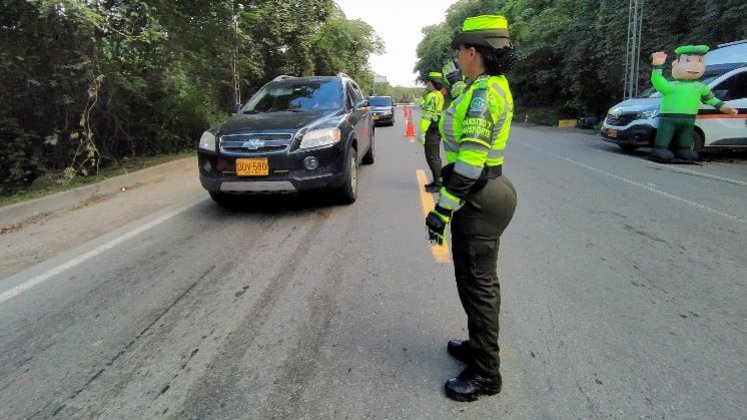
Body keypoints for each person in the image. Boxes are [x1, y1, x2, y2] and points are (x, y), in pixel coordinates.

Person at [424, 14, 518, 402]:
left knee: (478, 286)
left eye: (460, 49)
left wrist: (441, 210)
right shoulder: (484, 86)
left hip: (478, 196)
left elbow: (469, 164)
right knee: (473, 282)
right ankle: (478, 346)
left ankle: (485, 374)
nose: (457, 56)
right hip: (484, 191)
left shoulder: (482, 95)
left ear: (473, 51)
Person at [648, 45, 738, 163]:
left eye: (700, 61)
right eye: (688, 60)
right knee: (665, 133)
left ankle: (684, 149)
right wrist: (657, 66)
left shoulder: (700, 87)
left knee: (686, 135)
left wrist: (725, 107)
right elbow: (657, 81)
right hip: (669, 118)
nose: (695, 65)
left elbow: (711, 99)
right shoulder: (672, 86)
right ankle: (660, 148)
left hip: (689, 119)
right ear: (675, 64)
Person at [417, 72, 445, 193]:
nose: (426, 84)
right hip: (435, 127)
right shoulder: (436, 95)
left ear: (433, 83)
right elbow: (430, 108)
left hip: (431, 129)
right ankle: (437, 180)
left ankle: (438, 183)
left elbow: (428, 115)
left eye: (428, 82)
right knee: (433, 156)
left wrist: (422, 131)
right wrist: (422, 103)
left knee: (432, 157)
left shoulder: (433, 96)